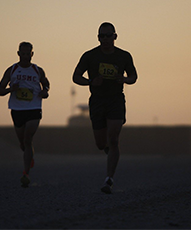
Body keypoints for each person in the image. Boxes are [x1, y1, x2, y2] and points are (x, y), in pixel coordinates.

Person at [72, 22, 138, 194]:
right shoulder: (89, 56)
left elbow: (133, 76)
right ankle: (109, 151)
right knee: (101, 143)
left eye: (109, 35)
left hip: (116, 100)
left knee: (114, 138)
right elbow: (76, 76)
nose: (105, 39)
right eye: (102, 36)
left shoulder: (124, 56)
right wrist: (90, 82)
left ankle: (109, 179)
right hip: (97, 102)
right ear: (98, 37)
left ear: (115, 36)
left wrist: (123, 79)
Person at [0, 42, 50, 188]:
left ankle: (26, 173)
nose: (26, 56)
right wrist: (10, 90)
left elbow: (46, 84)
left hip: (34, 107)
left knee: (28, 139)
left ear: (32, 54)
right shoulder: (12, 70)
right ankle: (29, 157)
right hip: (17, 109)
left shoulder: (37, 70)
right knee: (23, 142)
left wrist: (45, 91)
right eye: (23, 53)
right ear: (18, 54)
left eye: (29, 54)